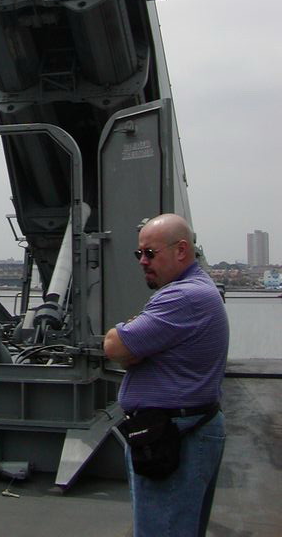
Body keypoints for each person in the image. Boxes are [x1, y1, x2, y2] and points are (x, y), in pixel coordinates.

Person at [103, 213, 229, 537]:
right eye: (139, 254)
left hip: (175, 439)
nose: (142, 261)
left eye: (150, 253)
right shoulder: (194, 291)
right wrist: (137, 341)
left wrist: (128, 335)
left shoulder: (183, 297)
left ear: (181, 250)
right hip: (183, 430)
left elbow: (114, 346)